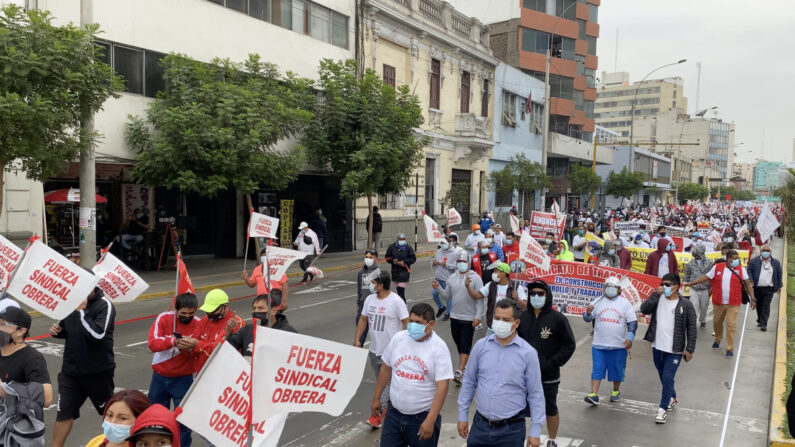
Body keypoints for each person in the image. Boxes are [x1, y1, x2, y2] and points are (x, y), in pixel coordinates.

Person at [457, 299, 546, 447]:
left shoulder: (528, 353)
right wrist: (462, 415)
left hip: (511, 430)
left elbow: (535, 394)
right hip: (480, 426)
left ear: (516, 323)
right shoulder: (481, 347)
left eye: (506, 320)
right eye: (497, 318)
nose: (500, 322)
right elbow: (469, 382)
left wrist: (535, 431)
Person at [374, 303, 453, 447]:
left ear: (431, 324)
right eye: (411, 321)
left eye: (418, 323)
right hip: (394, 414)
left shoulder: (439, 348)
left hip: (422, 418)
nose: (412, 326)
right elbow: (386, 369)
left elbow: (442, 387)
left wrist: (430, 420)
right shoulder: (399, 338)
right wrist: (377, 398)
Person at [50, 288, 116, 447]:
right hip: (70, 371)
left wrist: (81, 312)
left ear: (93, 286)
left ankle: (115, 443)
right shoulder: (71, 303)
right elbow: (66, 328)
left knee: (109, 412)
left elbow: (97, 335)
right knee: (63, 413)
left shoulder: (105, 305)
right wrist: (58, 331)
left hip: (97, 372)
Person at [518, 281, 576, 446]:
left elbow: (569, 345)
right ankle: (523, 437)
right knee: (519, 408)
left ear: (547, 295)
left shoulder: (558, 319)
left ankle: (552, 439)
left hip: (548, 375)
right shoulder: (522, 317)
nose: (536, 297)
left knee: (550, 408)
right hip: (523, 375)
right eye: (533, 294)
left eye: (540, 293)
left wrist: (553, 362)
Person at [354, 270, 409, 428]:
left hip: (392, 352)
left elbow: (406, 323)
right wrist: (357, 339)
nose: (371, 286)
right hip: (375, 351)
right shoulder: (370, 299)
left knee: (388, 384)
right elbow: (363, 319)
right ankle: (392, 409)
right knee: (382, 383)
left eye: (373, 283)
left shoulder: (396, 301)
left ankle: (377, 415)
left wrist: (406, 345)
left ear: (381, 285)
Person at [639, 274, 697, 424]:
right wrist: (654, 294)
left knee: (667, 377)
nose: (664, 287)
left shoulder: (686, 305)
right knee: (663, 375)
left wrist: (690, 349)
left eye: (668, 285)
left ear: (677, 287)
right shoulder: (658, 299)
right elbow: (644, 309)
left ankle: (662, 409)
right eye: (662, 284)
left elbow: (691, 328)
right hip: (657, 346)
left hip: (675, 350)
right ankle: (672, 397)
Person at [146, 293, 200, 447]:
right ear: (176, 310)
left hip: (183, 378)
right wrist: (171, 341)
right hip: (160, 377)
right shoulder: (164, 318)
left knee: (183, 421)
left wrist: (191, 347)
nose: (187, 317)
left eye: (191, 313)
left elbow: (202, 349)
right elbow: (153, 343)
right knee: (156, 419)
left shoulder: (199, 323)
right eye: (183, 314)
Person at [684, 250, 756, 359]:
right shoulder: (717, 267)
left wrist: (753, 298)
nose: (736, 261)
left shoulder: (741, 269)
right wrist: (692, 283)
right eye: (733, 259)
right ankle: (717, 339)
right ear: (727, 259)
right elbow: (705, 277)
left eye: (738, 259)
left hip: (734, 303)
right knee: (717, 322)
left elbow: (747, 284)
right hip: (719, 302)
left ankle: (729, 348)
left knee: (731, 325)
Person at [582, 277, 637, 405]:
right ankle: (594, 394)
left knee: (617, 370)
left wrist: (630, 337)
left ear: (619, 290)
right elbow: (587, 318)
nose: (610, 289)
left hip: (618, 345)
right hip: (599, 344)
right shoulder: (598, 302)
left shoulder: (625, 304)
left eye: (613, 287)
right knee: (597, 369)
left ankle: (615, 391)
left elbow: (632, 322)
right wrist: (588, 314)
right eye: (607, 286)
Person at [433, 252, 484, 385]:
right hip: (455, 317)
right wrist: (438, 288)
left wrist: (478, 316)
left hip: (469, 318)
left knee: (465, 344)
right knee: (459, 344)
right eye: (459, 261)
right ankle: (465, 367)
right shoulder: (452, 277)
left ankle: (460, 371)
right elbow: (447, 296)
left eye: (463, 261)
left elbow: (479, 299)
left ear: (468, 263)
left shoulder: (476, 278)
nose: (461, 263)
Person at [0, 306, 53, 431]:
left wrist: (5, 390)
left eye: (4, 325)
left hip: (15, 431)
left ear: (21, 331)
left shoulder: (32, 359)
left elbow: (47, 398)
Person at [227, 294, 298, 360]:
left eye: (261, 308)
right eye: (254, 308)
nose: (256, 311)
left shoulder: (289, 333)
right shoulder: (246, 330)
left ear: (273, 311)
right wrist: (228, 331)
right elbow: (227, 349)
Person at [193, 289, 245, 372]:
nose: (209, 313)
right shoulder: (204, 320)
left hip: (224, 374)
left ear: (225, 307)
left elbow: (220, 351)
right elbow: (193, 344)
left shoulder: (236, 323)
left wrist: (198, 345)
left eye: (212, 310)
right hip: (203, 374)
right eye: (207, 310)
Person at [86, 390, 150, 447]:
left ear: (141, 421)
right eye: (110, 415)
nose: (112, 422)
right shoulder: (96, 442)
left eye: (123, 418)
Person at [474, 262, 527, 328]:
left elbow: (525, 306)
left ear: (503, 273)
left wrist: (517, 299)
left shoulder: (517, 287)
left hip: (509, 328)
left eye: (496, 271)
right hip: (492, 326)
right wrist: (468, 287)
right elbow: (476, 296)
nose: (493, 273)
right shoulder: (491, 285)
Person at [242, 248, 290, 319]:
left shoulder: (277, 268)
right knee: (263, 324)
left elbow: (285, 285)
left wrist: (284, 301)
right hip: (262, 305)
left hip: (275, 303)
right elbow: (251, 284)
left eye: (266, 256)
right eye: (263, 256)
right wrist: (246, 278)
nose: (264, 258)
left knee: (274, 323)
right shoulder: (257, 269)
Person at [747, 244, 782, 332]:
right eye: (764, 251)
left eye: (767, 251)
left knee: (766, 306)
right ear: (761, 251)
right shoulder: (754, 261)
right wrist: (751, 280)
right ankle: (759, 319)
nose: (766, 252)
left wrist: (779, 286)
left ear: (770, 252)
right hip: (757, 288)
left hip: (769, 289)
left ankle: (764, 323)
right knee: (759, 305)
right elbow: (749, 270)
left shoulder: (776, 262)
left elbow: (779, 274)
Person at [682, 245, 714, 329]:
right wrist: (685, 284)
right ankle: (693, 323)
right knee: (694, 305)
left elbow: (712, 277)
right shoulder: (690, 263)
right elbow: (687, 275)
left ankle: (702, 320)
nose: (695, 254)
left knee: (704, 306)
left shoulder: (709, 263)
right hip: (693, 288)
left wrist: (711, 288)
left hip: (705, 289)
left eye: (696, 252)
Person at [356, 249, 381, 344]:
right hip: (363, 305)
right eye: (366, 257)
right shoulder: (361, 272)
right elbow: (359, 288)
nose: (368, 259)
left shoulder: (379, 272)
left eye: (370, 257)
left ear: (375, 258)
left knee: (376, 331)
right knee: (360, 332)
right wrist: (358, 304)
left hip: (375, 305)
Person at [432, 237, 459, 320]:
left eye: (444, 243)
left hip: (447, 279)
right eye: (441, 243)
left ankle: (448, 312)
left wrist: (446, 265)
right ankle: (441, 307)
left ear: (449, 243)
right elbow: (434, 262)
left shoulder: (454, 253)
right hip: (438, 278)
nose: (442, 245)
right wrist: (434, 263)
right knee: (434, 294)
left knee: (448, 297)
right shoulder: (439, 251)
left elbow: (456, 266)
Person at [385, 233, 416, 302]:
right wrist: (393, 260)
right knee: (399, 291)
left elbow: (413, 258)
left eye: (403, 239)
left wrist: (404, 262)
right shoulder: (392, 247)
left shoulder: (408, 247)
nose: (402, 240)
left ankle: (403, 306)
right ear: (397, 240)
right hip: (395, 272)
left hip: (404, 272)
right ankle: (401, 306)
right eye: (400, 239)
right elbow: (387, 257)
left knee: (400, 290)